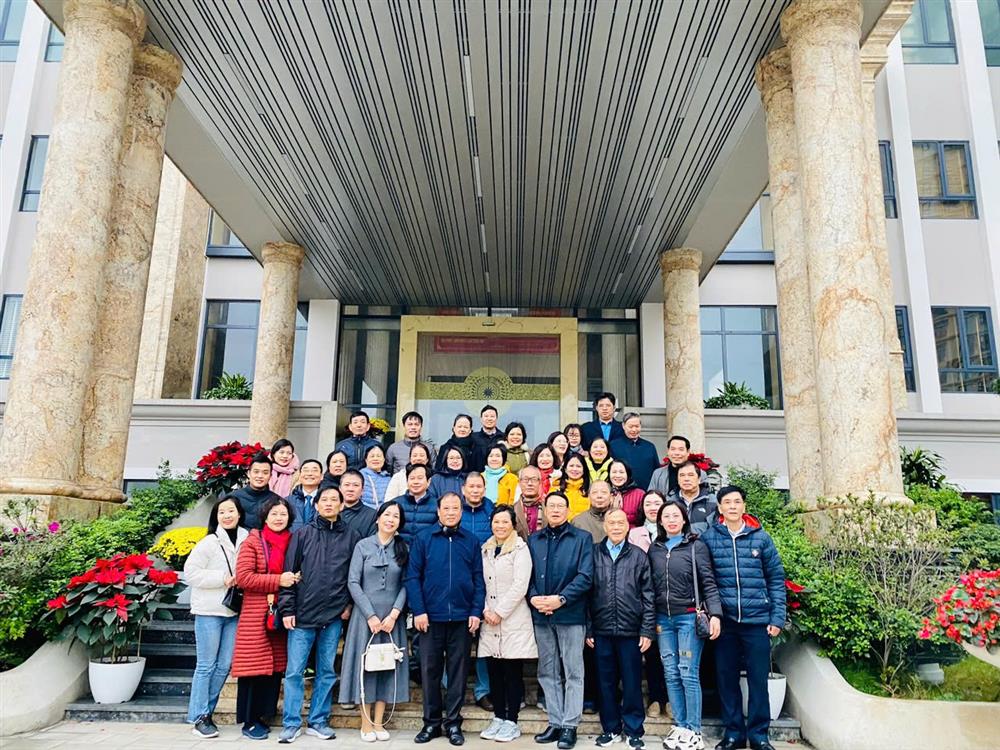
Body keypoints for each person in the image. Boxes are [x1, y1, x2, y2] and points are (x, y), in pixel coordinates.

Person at [701, 487, 786, 750]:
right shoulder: (709, 538)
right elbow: (705, 580)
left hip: (757, 621)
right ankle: (733, 734)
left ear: (744, 506)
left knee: (758, 680)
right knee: (726, 680)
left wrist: (777, 617)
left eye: (737, 502)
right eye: (727, 502)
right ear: (720, 508)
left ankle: (759, 735)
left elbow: (776, 579)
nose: (732, 506)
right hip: (725, 622)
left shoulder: (761, 538)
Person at [277, 485, 362, 743]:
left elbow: (354, 576)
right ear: (316, 505)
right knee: (295, 671)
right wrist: (287, 608)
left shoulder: (352, 536)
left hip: (333, 615)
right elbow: (289, 574)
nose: (329, 504)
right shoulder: (302, 534)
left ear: (341, 505)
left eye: (334, 500)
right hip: (302, 614)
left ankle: (318, 720)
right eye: (324, 500)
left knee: (326, 671)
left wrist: (348, 605)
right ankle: (291, 723)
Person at [405, 493, 486, 747]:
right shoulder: (423, 538)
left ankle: (453, 723)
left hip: (462, 618)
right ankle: (431, 722)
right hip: (430, 618)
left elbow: (478, 579)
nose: (451, 512)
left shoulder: (471, 541)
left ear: (461, 511)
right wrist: (419, 610)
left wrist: (475, 611)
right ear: (438, 511)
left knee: (458, 673)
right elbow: (412, 577)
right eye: (446, 508)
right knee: (429, 671)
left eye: (455, 508)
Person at [649, 501, 723, 750]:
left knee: (688, 672)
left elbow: (708, 582)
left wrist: (716, 614)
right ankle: (680, 726)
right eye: (666, 516)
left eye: (676, 516)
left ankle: (694, 730)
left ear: (684, 520)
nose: (671, 520)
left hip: (689, 618)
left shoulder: (695, 546)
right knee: (670, 673)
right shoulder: (655, 548)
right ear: (660, 521)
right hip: (663, 619)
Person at [527, 492, 594, 750]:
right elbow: (527, 575)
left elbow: (585, 576)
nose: (555, 510)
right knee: (547, 670)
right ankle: (555, 722)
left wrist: (561, 599)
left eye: (560, 506)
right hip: (541, 615)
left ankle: (570, 725)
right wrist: (534, 598)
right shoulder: (534, 539)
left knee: (573, 671)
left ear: (568, 510)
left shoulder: (582, 538)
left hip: (570, 614)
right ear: (544, 510)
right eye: (551, 506)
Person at [339, 501, 410, 741]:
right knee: (365, 668)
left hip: (392, 619)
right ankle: (366, 723)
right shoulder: (362, 546)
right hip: (364, 618)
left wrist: (394, 614)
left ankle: (379, 722)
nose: (390, 519)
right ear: (378, 518)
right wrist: (370, 615)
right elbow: (353, 582)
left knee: (386, 667)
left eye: (395, 516)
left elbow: (407, 584)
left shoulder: (403, 548)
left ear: (400, 523)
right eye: (387, 514)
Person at [232, 496, 300, 740]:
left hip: (282, 610)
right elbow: (244, 577)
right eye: (274, 514)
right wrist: (279, 580)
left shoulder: (293, 540)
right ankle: (250, 720)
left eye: (283, 514)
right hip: (256, 612)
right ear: (265, 517)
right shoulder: (253, 541)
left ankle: (265, 715)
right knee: (254, 668)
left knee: (275, 667)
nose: (279, 518)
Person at [588, 509, 655, 750]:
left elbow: (648, 596)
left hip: (631, 631)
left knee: (632, 682)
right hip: (602, 630)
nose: (616, 527)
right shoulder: (593, 554)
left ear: (627, 527)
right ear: (605, 527)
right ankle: (611, 728)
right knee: (605, 683)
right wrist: (588, 629)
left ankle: (634, 730)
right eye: (612, 523)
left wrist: (647, 630)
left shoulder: (638, 555)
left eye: (620, 523)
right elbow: (586, 594)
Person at [185, 496, 249, 738]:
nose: (227, 515)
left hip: (233, 610)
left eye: (231, 511)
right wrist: (221, 578)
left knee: (224, 666)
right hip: (209, 610)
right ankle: (199, 716)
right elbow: (191, 573)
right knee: (206, 665)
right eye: (222, 512)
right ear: (216, 517)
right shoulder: (209, 542)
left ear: (239, 514)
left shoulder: (246, 538)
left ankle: (207, 713)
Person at [478, 506, 537, 743]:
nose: (500, 526)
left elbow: (521, 585)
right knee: (494, 670)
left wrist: (500, 612)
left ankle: (512, 720)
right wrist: (486, 610)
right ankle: (498, 717)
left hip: (512, 618)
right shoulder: (486, 549)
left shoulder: (521, 549)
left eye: (505, 522)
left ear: (513, 524)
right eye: (496, 521)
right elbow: (481, 583)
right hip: (489, 618)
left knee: (512, 672)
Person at [459, 472, 495, 710]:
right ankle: (452, 687)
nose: (474, 490)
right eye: (470, 486)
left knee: (485, 639)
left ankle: (484, 690)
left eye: (479, 486)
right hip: (459, 581)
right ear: (463, 489)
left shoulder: (491, 511)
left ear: (484, 488)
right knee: (456, 640)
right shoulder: (455, 509)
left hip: (487, 580)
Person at [231, 453, 282, 531]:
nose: (260, 476)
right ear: (248, 474)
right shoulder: (233, 498)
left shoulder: (277, 501)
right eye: (256, 472)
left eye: (265, 473)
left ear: (270, 476)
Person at [610, 413, 660, 491]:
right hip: (622, 492)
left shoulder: (650, 447)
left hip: (646, 492)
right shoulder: (613, 446)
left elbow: (657, 471)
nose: (634, 430)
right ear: (623, 426)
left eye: (637, 426)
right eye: (630, 427)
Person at [667, 461, 718, 535]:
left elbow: (717, 531)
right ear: (677, 480)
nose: (686, 479)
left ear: (699, 479)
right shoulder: (670, 502)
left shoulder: (712, 501)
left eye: (690, 475)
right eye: (682, 475)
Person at [395, 464, 439, 545]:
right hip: (401, 550)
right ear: (407, 481)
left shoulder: (438, 505)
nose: (415, 482)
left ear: (428, 481)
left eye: (420, 478)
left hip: (426, 550)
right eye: (412, 478)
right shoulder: (396, 504)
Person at [338, 469, 378, 538]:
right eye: (347, 485)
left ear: (362, 490)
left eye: (355, 485)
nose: (350, 489)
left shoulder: (372, 515)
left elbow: (372, 542)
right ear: (340, 488)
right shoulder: (330, 510)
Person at [287, 459, 322, 531]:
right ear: (300, 476)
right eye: (306, 470)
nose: (309, 474)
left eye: (314, 470)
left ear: (321, 476)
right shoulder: (288, 501)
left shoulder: (327, 501)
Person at [554, 453, 590, 520]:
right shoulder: (555, 488)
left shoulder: (590, 490)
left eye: (578, 466)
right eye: (571, 466)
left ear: (584, 470)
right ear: (565, 469)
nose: (575, 469)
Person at [512, 465, 545, 539]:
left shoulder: (548, 508)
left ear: (540, 483)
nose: (530, 483)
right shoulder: (512, 510)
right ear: (519, 483)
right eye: (525, 479)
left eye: (534, 479)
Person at [609, 460, 645, 527]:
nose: (618, 475)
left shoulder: (640, 494)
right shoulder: (605, 493)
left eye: (621, 472)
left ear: (628, 474)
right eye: (614, 472)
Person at [471, 405, 502, 472]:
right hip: (478, 476)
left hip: (499, 475)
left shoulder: (503, 437)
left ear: (496, 418)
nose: (489, 419)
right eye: (486, 416)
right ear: (481, 419)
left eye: (492, 416)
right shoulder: (473, 437)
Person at [360, 444, 392, 509]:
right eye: (372, 456)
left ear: (384, 459)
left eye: (379, 456)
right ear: (366, 460)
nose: (375, 459)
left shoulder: (389, 479)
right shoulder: (359, 476)